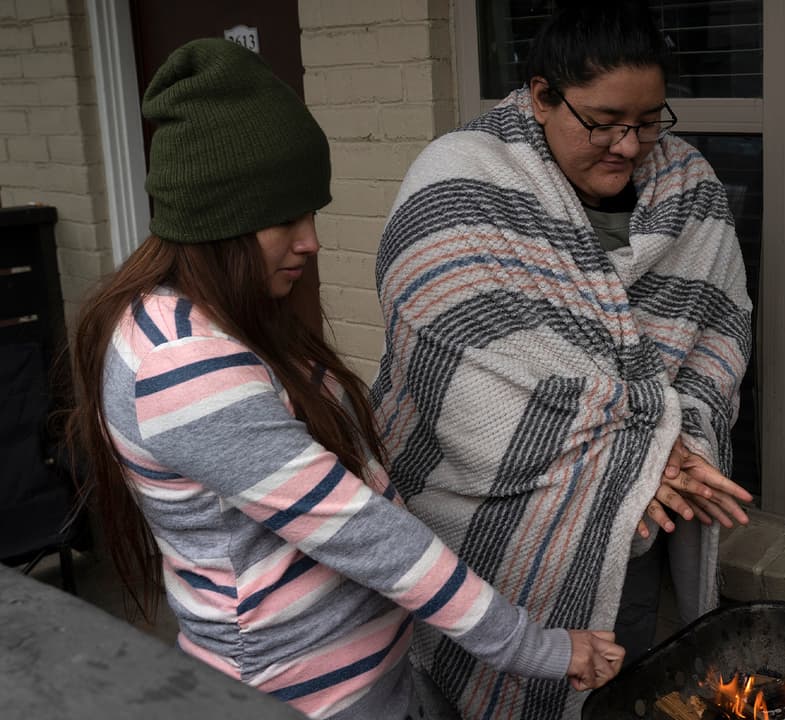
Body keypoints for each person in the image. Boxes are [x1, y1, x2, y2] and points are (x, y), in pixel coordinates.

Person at [65, 38, 622, 720]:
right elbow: (364, 533)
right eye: (285, 219)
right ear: (219, 222)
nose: (312, 241)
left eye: (313, 214)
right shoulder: (185, 366)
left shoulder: (218, 319)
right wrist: (538, 648)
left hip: (361, 683)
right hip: (303, 698)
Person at [371, 3, 754, 718]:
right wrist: (649, 447)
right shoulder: (462, 175)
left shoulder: (687, 185)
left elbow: (716, 332)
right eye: (604, 121)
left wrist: (676, 443)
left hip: (625, 537)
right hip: (479, 528)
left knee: (612, 692)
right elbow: (454, 346)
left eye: (647, 121)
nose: (629, 145)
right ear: (543, 95)